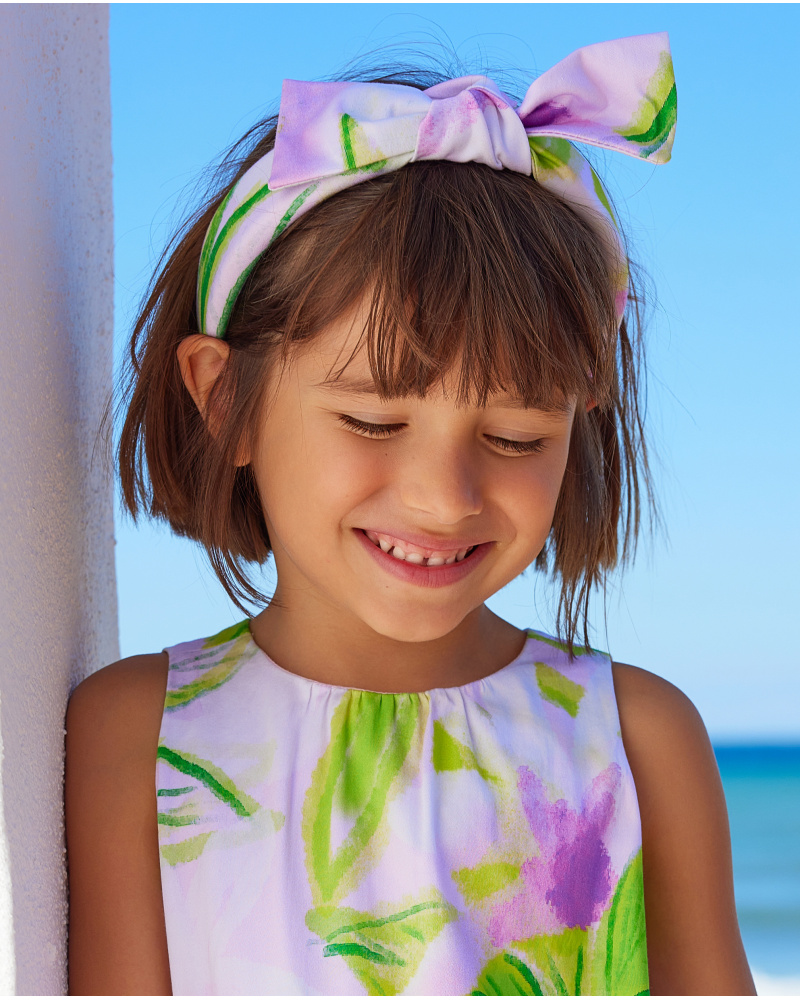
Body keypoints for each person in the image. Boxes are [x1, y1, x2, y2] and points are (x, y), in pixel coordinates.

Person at [64, 33, 755, 997]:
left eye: (515, 437)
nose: (443, 497)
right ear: (225, 402)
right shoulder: (137, 736)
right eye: (372, 419)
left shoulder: (642, 739)